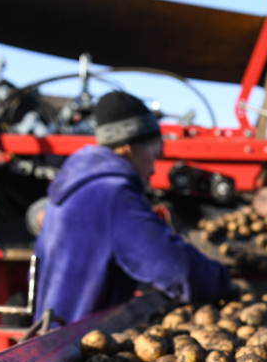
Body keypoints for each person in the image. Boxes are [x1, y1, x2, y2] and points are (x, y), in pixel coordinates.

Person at [33, 91, 230, 323]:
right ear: (129, 149)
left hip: (53, 332)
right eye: (155, 154)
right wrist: (221, 281)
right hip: (77, 342)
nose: (154, 168)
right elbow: (172, 266)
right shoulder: (112, 194)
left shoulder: (77, 182)